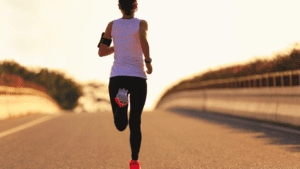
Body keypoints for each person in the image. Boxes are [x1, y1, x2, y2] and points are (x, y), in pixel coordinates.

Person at [98, 0, 152, 168]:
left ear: (119, 7)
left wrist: (118, 46)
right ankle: (134, 161)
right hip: (137, 78)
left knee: (121, 125)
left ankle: (121, 106)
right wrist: (148, 61)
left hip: (118, 78)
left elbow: (101, 52)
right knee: (135, 121)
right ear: (136, 6)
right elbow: (142, 39)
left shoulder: (111, 25)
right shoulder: (142, 24)